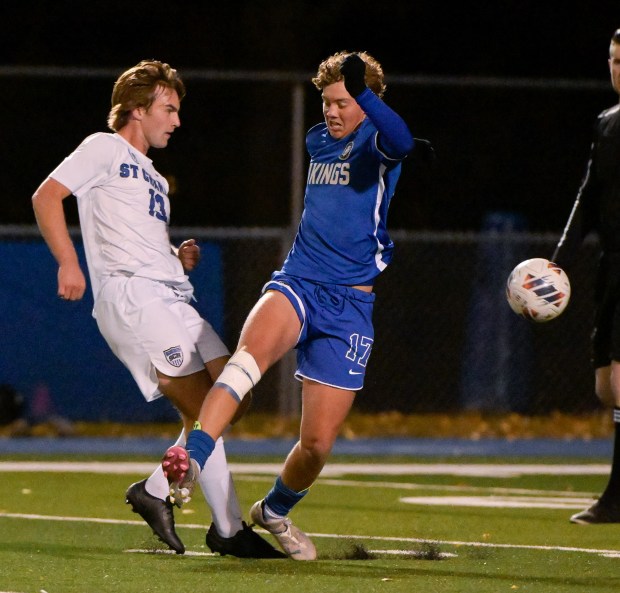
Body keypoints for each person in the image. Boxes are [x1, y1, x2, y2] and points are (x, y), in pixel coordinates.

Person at [161, 50, 416, 560]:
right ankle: (190, 460)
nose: (332, 112)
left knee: (318, 445)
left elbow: (404, 140)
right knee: (242, 366)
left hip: (350, 308)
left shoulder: (380, 144)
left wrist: (362, 92)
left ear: (367, 101)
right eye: (327, 102)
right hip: (298, 282)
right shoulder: (318, 140)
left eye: (343, 101)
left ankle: (273, 511)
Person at [31, 60, 284, 558]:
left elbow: (134, 236)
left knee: (234, 396)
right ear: (136, 109)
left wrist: (175, 258)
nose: (176, 120)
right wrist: (68, 262)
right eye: (168, 109)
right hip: (134, 299)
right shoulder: (104, 147)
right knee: (201, 405)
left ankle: (153, 489)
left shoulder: (154, 177)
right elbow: (47, 196)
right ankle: (228, 530)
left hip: (172, 296)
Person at [552, 29, 620, 524]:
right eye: (615, 59)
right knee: (605, 388)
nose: (619, 68)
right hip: (610, 269)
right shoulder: (607, 123)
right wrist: (560, 257)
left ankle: (617, 495)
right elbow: (588, 195)